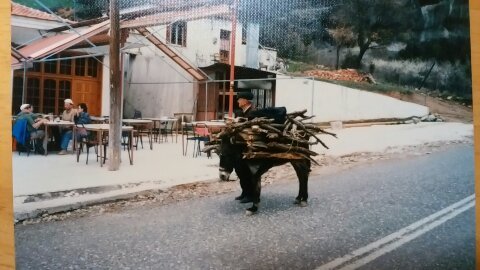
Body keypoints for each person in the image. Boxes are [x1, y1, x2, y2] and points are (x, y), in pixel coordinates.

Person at [234, 91, 256, 203]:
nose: (237, 101)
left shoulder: (253, 111)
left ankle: (251, 195)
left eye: (239, 99)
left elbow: (252, 126)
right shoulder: (242, 112)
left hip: (249, 145)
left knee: (247, 171)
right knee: (239, 170)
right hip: (241, 145)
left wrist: (241, 121)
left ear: (246, 101)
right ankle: (244, 192)